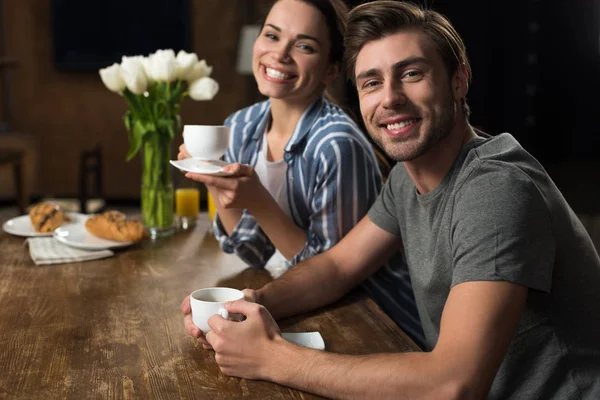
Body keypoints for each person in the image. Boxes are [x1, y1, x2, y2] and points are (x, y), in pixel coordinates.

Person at [182, 1, 600, 398]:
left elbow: (454, 384)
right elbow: (337, 266)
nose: (389, 98)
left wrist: (273, 358)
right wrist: (249, 302)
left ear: (459, 79)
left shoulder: (495, 187)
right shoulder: (408, 175)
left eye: (412, 74)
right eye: (371, 82)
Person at [179, 0, 425, 345]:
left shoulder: (335, 144)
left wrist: (259, 201)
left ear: (330, 70)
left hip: (372, 320)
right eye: (272, 36)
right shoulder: (240, 126)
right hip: (290, 301)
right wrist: (215, 184)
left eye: (304, 46)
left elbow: (331, 275)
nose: (280, 54)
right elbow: (251, 251)